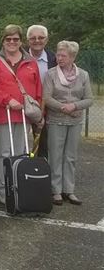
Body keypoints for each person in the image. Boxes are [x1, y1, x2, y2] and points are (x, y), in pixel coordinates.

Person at [0, 25, 43, 205]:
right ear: (3, 41)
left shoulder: (31, 62)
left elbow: (38, 90)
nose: (12, 42)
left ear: (20, 41)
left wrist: (39, 114)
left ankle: (20, 186)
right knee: (3, 153)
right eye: (8, 39)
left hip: (24, 116)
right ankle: (4, 190)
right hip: (4, 115)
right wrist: (7, 100)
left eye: (15, 39)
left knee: (22, 154)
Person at [44, 41, 93, 205]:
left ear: (73, 56)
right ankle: (55, 191)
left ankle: (69, 190)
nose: (59, 58)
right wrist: (64, 107)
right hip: (56, 120)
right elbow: (47, 98)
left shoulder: (83, 75)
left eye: (63, 55)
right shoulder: (51, 74)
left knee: (70, 157)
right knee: (55, 156)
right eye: (58, 54)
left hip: (75, 122)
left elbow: (89, 99)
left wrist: (75, 106)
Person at [27, 25, 57, 159]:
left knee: (44, 143)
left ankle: (41, 172)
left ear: (47, 40)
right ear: (28, 40)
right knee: (20, 143)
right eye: (33, 38)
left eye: (41, 37)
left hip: (47, 108)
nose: (37, 41)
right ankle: (22, 171)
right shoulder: (20, 58)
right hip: (25, 106)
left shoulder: (55, 59)